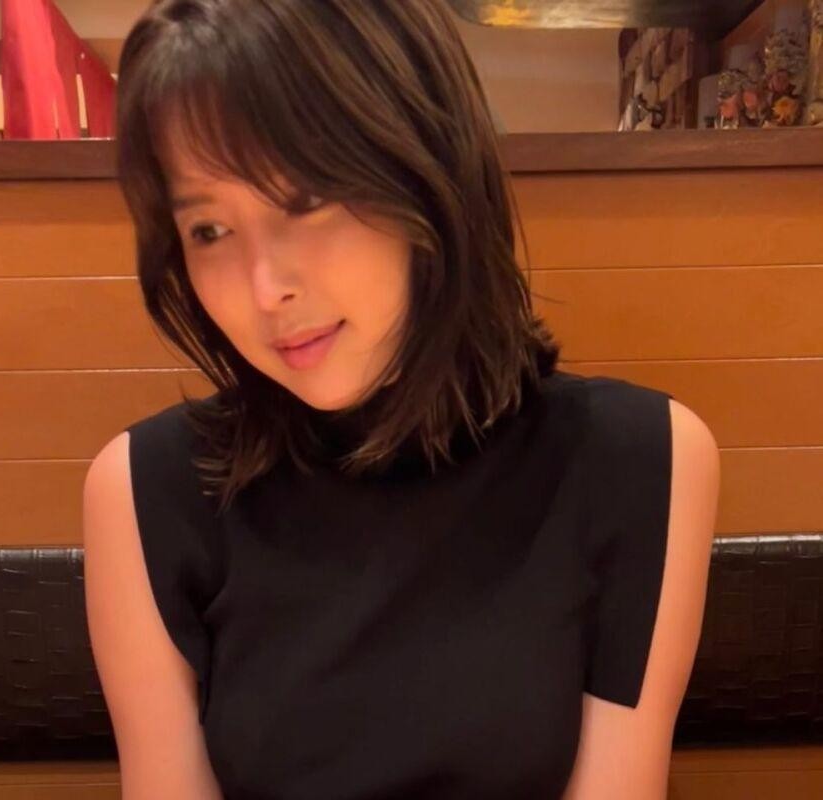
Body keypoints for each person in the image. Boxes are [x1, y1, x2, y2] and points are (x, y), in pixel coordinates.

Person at [82, 1, 720, 798]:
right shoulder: (147, 490)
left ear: (427, 165)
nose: (265, 288)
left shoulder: (639, 459)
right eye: (209, 230)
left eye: (306, 198)